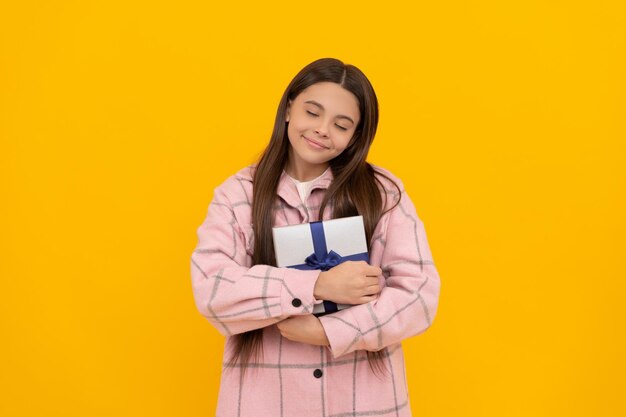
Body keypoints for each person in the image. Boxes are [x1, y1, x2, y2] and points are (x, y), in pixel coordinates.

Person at [190, 57, 441, 417]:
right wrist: (318, 286)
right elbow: (212, 289)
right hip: (264, 405)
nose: (322, 130)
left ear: (356, 136)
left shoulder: (382, 193)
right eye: (312, 112)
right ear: (289, 107)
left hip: (366, 404)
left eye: (341, 125)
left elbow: (419, 295)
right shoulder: (238, 195)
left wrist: (328, 331)